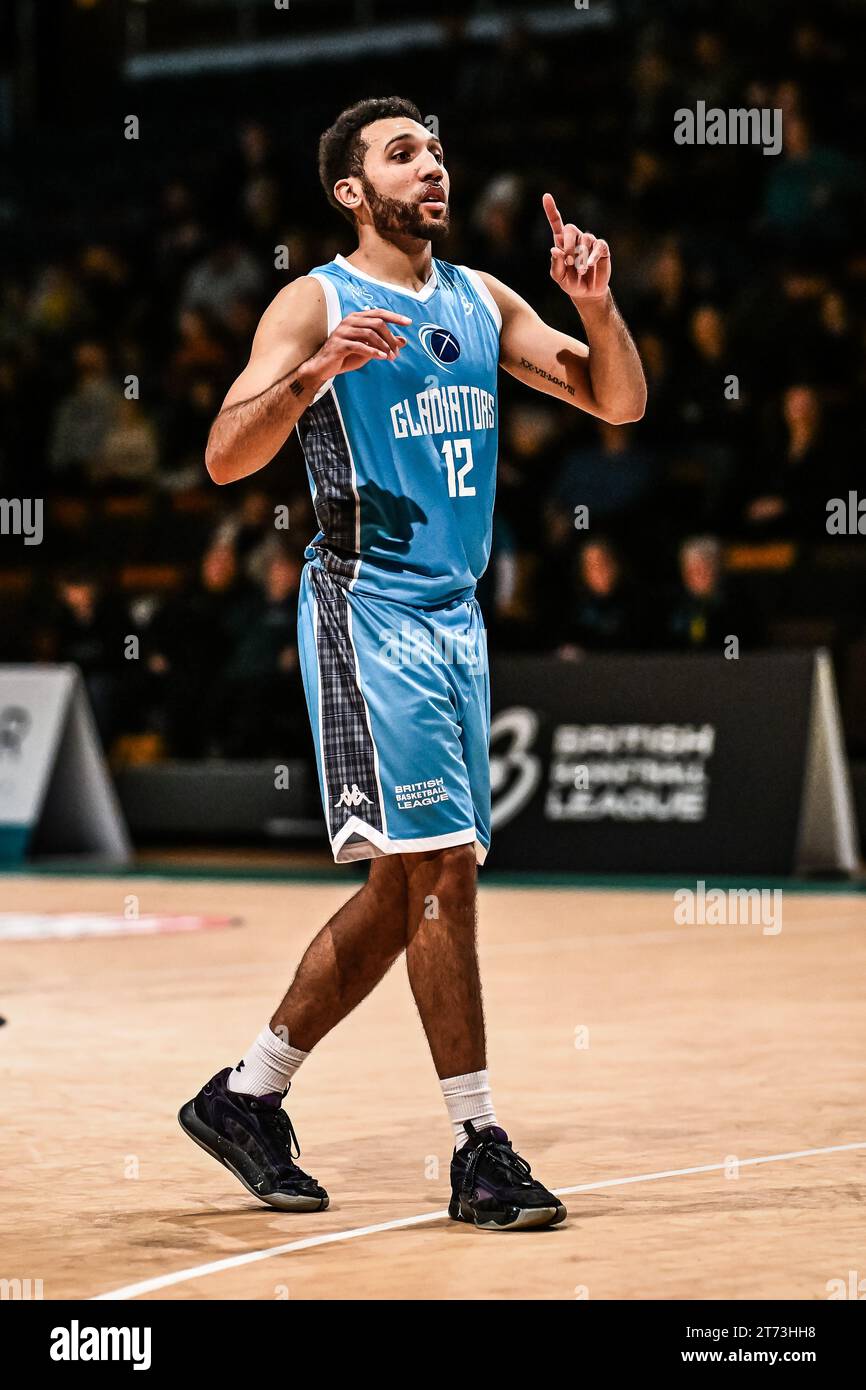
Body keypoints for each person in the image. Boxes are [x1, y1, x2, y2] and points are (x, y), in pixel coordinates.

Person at [179, 96, 645, 1231]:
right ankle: (479, 1144)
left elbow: (615, 398)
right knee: (444, 872)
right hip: (364, 608)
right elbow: (225, 455)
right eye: (402, 156)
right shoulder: (316, 300)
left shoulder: (480, 297)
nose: (430, 169)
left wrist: (594, 302)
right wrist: (310, 379)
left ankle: (247, 1095)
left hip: (454, 618)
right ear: (350, 190)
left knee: (401, 891)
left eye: (434, 151)